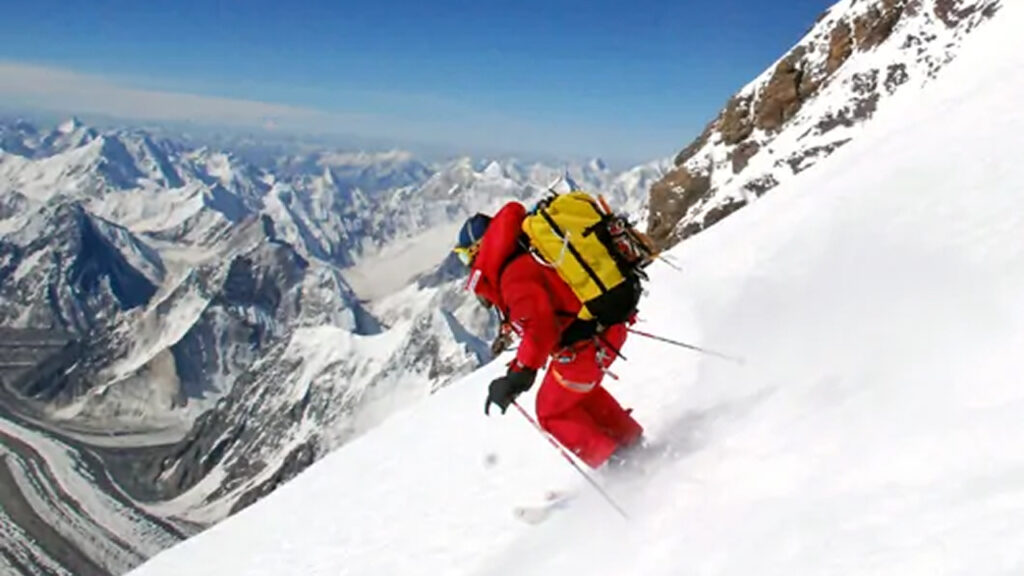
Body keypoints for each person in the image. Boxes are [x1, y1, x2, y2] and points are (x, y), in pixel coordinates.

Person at [453, 202, 644, 469]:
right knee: (576, 395)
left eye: (464, 257)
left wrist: (517, 377)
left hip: (587, 345)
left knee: (551, 411)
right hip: (603, 328)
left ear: (477, 249)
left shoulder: (512, 274)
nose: (466, 264)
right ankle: (632, 445)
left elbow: (539, 330)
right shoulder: (523, 250)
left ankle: (621, 468)